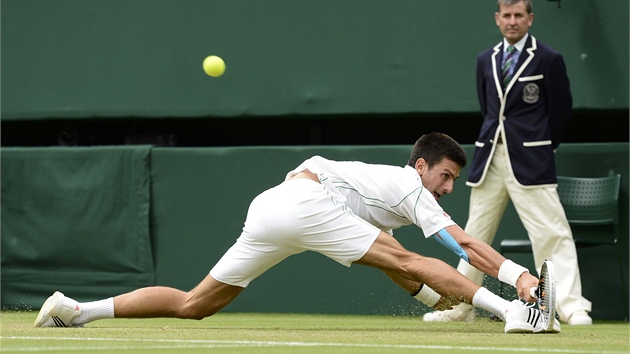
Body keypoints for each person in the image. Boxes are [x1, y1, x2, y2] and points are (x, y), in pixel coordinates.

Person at [34, 132, 559, 333]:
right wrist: (518, 283)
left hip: (272, 205)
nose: (448, 187)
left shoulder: (384, 191)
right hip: (307, 200)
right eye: (445, 175)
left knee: (195, 303)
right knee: (403, 258)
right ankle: (516, 314)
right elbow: (462, 244)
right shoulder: (408, 187)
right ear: (421, 166)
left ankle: (76, 310)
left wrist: (438, 300)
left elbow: (399, 263)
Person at [423, 0, 592, 325]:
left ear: (530, 19)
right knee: (473, 233)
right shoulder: (485, 60)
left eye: (519, 15)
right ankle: (460, 304)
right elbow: (489, 110)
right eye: (507, 15)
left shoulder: (548, 58)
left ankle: (570, 307)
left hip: (532, 159)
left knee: (551, 232)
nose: (512, 21)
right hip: (490, 158)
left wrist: (542, 147)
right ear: (497, 19)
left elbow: (561, 111)